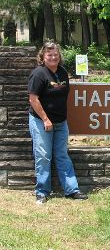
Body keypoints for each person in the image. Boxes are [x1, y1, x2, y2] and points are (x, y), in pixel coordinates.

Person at [28, 42, 88, 204]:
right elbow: (33, 99)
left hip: (61, 123)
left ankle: (72, 190)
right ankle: (42, 192)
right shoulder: (39, 74)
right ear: (43, 57)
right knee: (44, 156)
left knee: (62, 156)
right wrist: (46, 119)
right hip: (42, 122)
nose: (53, 57)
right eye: (49, 55)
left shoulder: (62, 72)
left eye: (55, 54)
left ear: (59, 56)